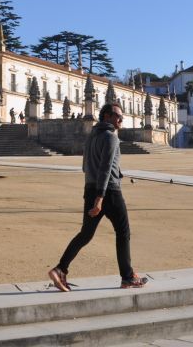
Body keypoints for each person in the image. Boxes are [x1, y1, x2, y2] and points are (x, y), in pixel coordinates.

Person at [48, 103, 147, 291]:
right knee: (123, 232)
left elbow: (85, 167)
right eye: (118, 116)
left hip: (90, 189)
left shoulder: (91, 137)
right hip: (109, 192)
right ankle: (127, 277)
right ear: (107, 116)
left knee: (85, 234)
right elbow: (105, 169)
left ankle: (60, 269)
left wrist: (93, 192)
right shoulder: (111, 138)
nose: (121, 120)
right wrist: (100, 198)